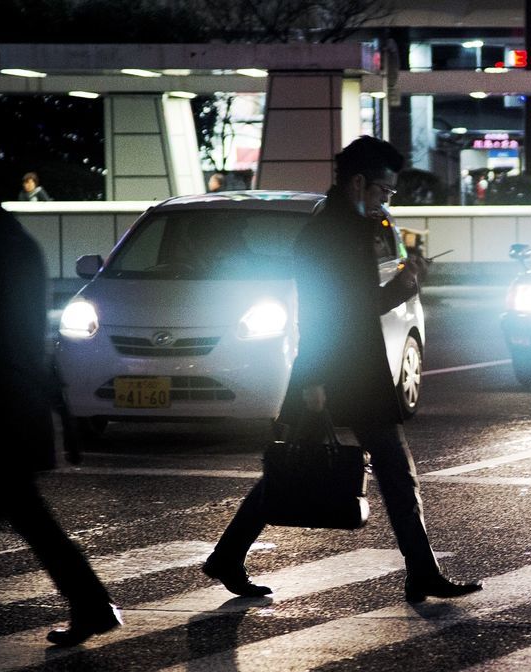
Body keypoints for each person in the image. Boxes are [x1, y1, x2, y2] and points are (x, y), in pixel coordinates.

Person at [203, 136, 481, 604]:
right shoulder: (338, 233)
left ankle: (229, 555)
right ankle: (421, 572)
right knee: (375, 468)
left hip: (331, 369)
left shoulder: (329, 226)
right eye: (384, 192)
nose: (385, 201)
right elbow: (349, 308)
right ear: (359, 183)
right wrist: (408, 281)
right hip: (341, 370)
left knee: (300, 465)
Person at [0, 160, 120, 648]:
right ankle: (91, 606)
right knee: (1, 520)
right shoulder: (14, 241)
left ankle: (91, 606)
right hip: (14, 404)